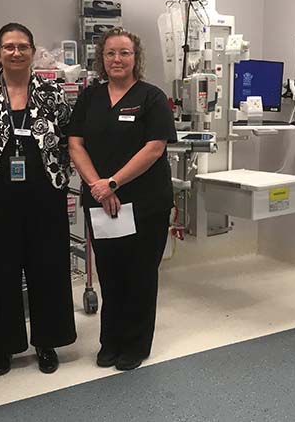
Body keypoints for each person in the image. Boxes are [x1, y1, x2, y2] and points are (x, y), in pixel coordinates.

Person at [0, 22, 77, 377]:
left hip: (46, 192)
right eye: (8, 47)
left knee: (48, 267)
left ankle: (48, 341)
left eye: (23, 47)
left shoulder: (52, 91)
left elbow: (69, 137)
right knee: (2, 271)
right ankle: (3, 346)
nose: (16, 53)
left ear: (33, 51)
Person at [68, 27, 177, 371]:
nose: (117, 59)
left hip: (145, 203)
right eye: (111, 53)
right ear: (102, 58)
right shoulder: (90, 98)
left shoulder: (151, 97)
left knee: (140, 274)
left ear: (136, 57)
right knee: (111, 273)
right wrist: (98, 186)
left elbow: (155, 148)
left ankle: (136, 344)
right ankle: (110, 341)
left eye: (125, 53)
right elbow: (75, 144)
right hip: (102, 203)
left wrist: (112, 182)